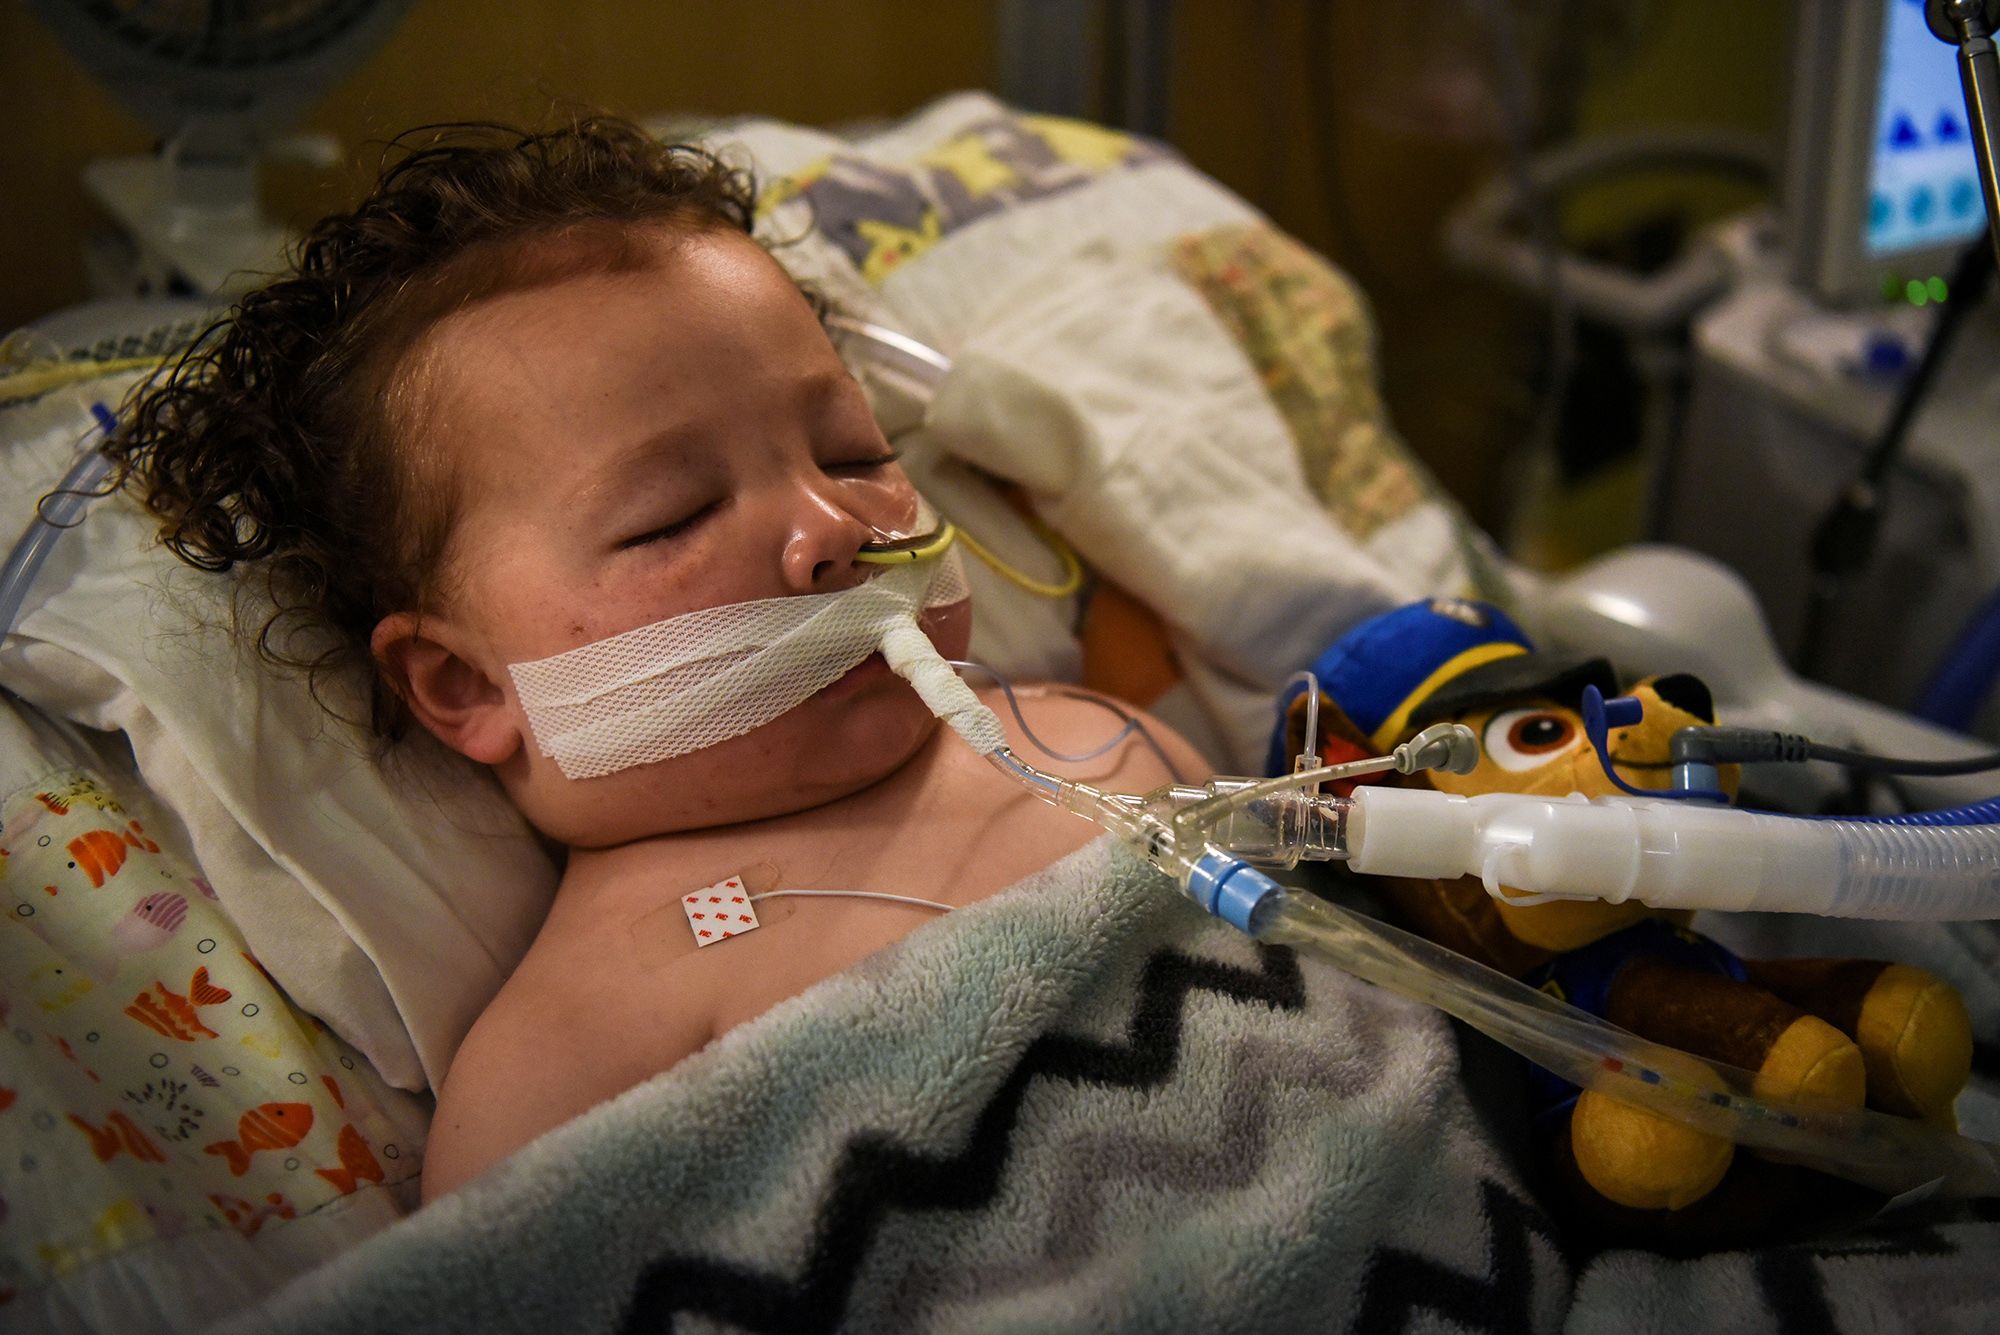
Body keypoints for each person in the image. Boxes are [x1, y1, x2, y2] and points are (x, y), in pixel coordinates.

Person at [110, 118, 1206, 1201]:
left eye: (854, 453)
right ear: (469, 687)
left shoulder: (1091, 736)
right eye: (670, 516)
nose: (833, 527)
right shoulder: (576, 1053)